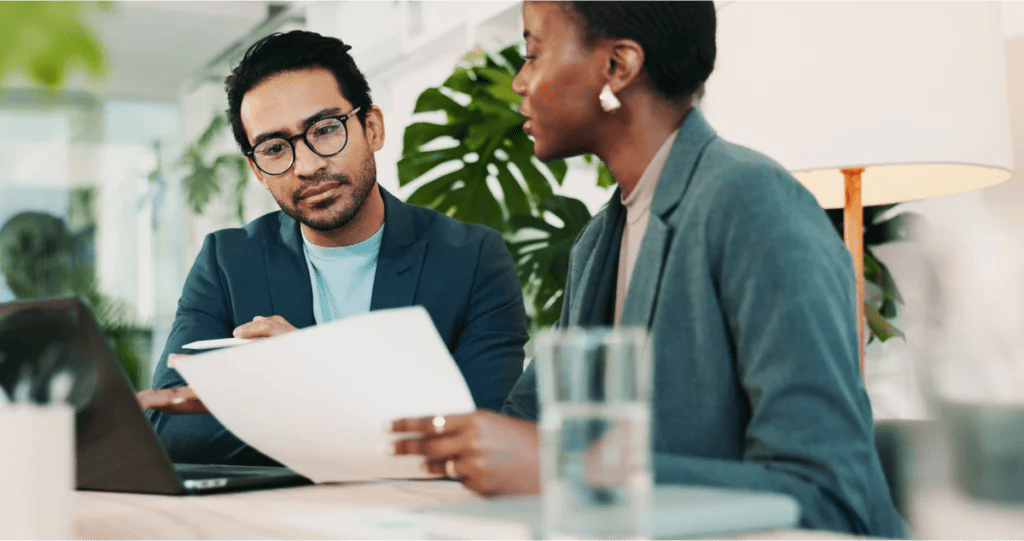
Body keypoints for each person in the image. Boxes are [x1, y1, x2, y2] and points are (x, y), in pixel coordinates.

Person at [390, 1, 904, 536]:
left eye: (533, 54)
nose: (520, 82)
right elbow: (523, 425)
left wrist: (571, 472)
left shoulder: (752, 203)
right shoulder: (598, 242)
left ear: (618, 67)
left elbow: (828, 494)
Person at [138, 30, 529, 466]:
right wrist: (359, 414)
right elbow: (173, 431)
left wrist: (316, 372)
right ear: (257, 169)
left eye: (325, 130)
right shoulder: (228, 263)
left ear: (372, 127)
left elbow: (481, 433)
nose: (307, 166)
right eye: (274, 148)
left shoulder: (470, 259)